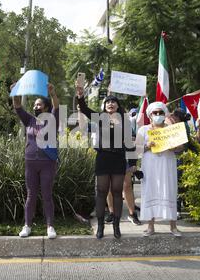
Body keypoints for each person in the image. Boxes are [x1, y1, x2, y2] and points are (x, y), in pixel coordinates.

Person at [76, 84, 136, 239]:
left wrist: (133, 162)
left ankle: (116, 226)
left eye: (113, 101)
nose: (110, 103)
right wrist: (80, 95)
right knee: (102, 192)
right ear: (105, 106)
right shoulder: (100, 118)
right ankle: (101, 226)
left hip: (118, 159)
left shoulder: (125, 121)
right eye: (108, 101)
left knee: (117, 192)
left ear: (118, 105)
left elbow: (130, 142)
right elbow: (84, 109)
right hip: (103, 158)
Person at [12, 84, 59, 239]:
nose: (35, 106)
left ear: (46, 107)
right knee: (31, 195)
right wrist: (16, 91)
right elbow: (18, 106)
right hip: (30, 162)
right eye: (34, 104)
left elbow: (56, 107)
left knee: (47, 194)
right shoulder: (29, 120)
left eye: (39, 104)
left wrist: (53, 94)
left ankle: (50, 226)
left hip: (47, 163)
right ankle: (27, 226)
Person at [136, 102, 182, 237]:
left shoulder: (171, 129)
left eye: (160, 113)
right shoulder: (143, 130)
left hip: (167, 165)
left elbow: (181, 148)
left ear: (164, 114)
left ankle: (173, 227)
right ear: (150, 115)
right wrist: (147, 145)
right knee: (150, 191)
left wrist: (174, 147)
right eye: (155, 113)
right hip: (150, 167)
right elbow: (136, 149)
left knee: (170, 191)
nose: (157, 115)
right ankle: (150, 226)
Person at [169, 107, 193, 219]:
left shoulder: (179, 127)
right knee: (181, 182)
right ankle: (184, 204)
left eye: (173, 116)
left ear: (177, 117)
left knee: (177, 183)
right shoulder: (184, 125)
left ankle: (177, 209)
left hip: (178, 157)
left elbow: (179, 145)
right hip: (183, 157)